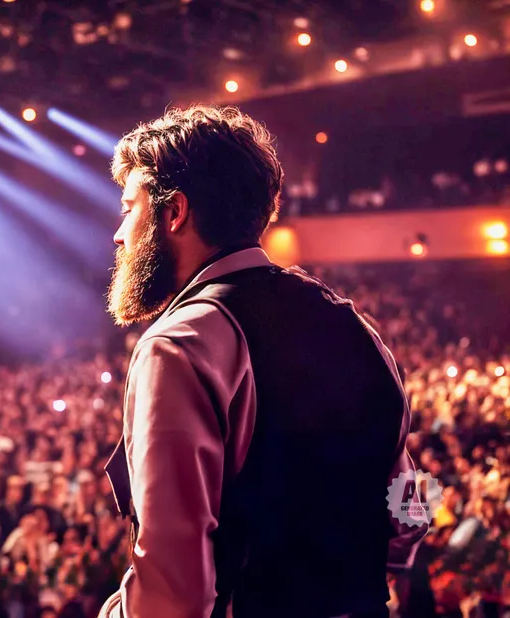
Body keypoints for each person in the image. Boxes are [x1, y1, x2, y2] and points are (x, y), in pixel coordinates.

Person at [100, 105, 427, 617]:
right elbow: (412, 505)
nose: (119, 233)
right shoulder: (356, 326)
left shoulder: (180, 344)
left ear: (174, 212)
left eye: (128, 207)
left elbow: (175, 592)